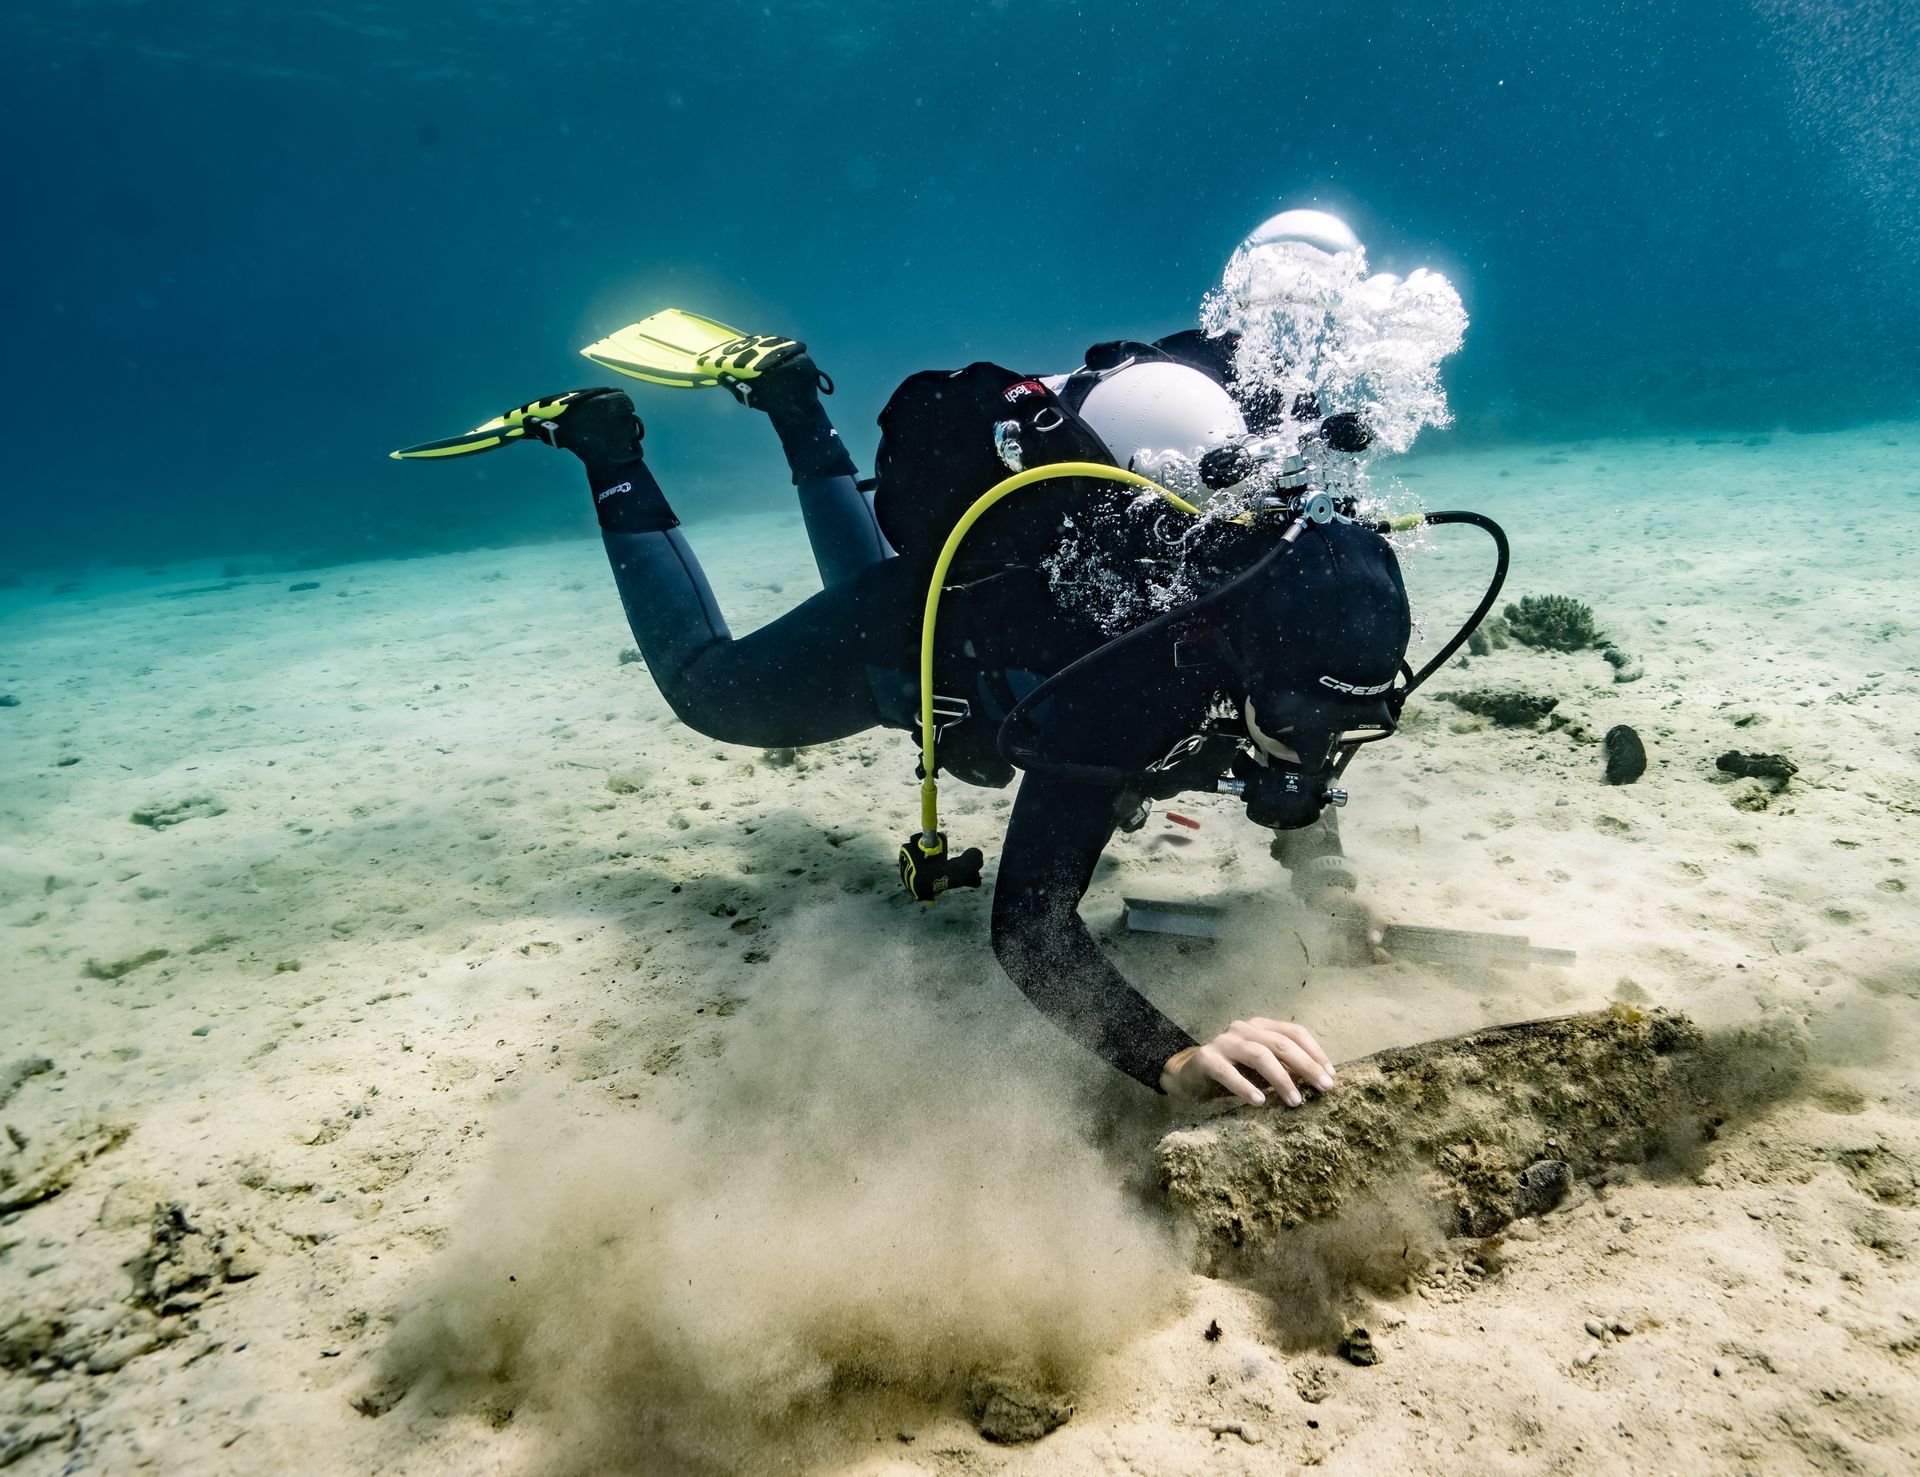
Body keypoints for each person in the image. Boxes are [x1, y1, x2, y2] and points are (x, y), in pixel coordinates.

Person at [393, 232, 1420, 1109]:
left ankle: (795, 401)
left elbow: (1300, 764)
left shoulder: (1301, 616)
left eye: (1358, 725)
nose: (1321, 747)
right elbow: (1028, 928)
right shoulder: (1133, 684)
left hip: (975, 604)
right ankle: (603, 446)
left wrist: (1328, 885)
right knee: (711, 691)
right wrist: (1176, 1056)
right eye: (1299, 717)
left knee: (899, 577)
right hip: (916, 647)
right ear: (1231, 656)